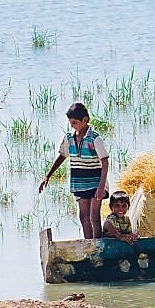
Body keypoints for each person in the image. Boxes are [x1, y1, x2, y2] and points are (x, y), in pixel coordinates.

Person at [38, 102, 109, 239]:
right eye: (71, 123)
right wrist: (48, 176)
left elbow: (105, 162)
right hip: (79, 182)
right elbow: (62, 156)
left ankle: (98, 245)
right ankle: (89, 244)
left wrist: (101, 186)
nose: (73, 126)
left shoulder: (94, 138)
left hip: (95, 182)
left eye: (75, 123)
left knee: (94, 216)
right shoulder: (69, 138)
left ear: (85, 120)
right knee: (83, 216)